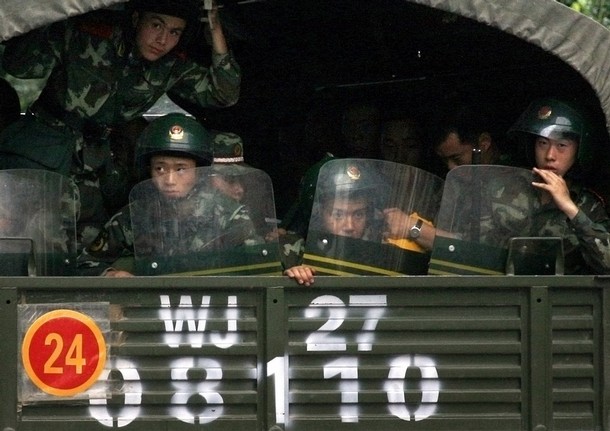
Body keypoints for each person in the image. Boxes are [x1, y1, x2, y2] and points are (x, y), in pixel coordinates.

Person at [0, 0, 241, 250]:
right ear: (136, 20)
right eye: (156, 25)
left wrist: (216, 31)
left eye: (174, 32)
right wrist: (45, 17)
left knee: (86, 241)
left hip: (95, 159)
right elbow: (18, 66)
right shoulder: (87, 37)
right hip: (44, 148)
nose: (162, 40)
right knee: (25, 235)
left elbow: (224, 94)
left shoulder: (170, 66)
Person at [77, 113, 258, 277]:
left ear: (199, 171)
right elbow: (84, 264)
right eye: (160, 168)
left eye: (181, 169)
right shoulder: (135, 216)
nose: (169, 180)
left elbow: (260, 269)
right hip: (150, 301)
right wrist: (111, 275)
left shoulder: (229, 215)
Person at [506, 98, 610, 274]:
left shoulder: (588, 205)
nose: (550, 155)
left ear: (578, 150)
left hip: (562, 291)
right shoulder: (506, 191)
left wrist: (570, 208)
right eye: (543, 143)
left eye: (561, 145)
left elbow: (607, 264)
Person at [431, 103, 511, 172]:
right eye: (445, 160)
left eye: (456, 158)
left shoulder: (512, 175)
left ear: (484, 142)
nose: (451, 168)